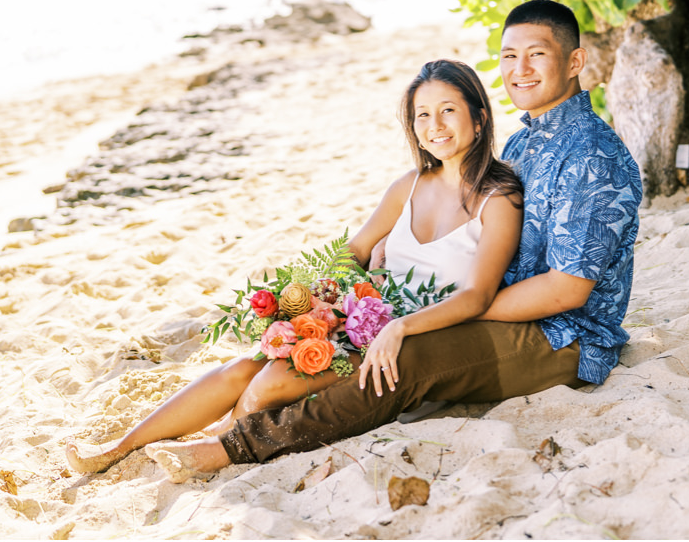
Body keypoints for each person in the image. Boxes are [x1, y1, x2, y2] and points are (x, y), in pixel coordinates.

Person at [143, 0, 642, 481]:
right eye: (510, 56)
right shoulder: (526, 138)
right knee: (310, 350)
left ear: (575, 61)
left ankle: (236, 446)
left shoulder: (591, 153)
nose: (520, 69)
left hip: (564, 338)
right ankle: (140, 440)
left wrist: (453, 308)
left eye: (537, 54)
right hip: (498, 308)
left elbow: (566, 291)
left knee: (406, 359)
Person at [65, 59, 523, 475]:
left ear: (479, 118)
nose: (434, 126)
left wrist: (399, 328)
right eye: (423, 115)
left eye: (448, 111)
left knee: (267, 384)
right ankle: (116, 449)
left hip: (417, 337)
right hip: (367, 317)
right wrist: (322, 295)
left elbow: (478, 295)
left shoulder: (498, 198)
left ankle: (216, 442)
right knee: (242, 368)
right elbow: (357, 249)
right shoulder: (409, 185)